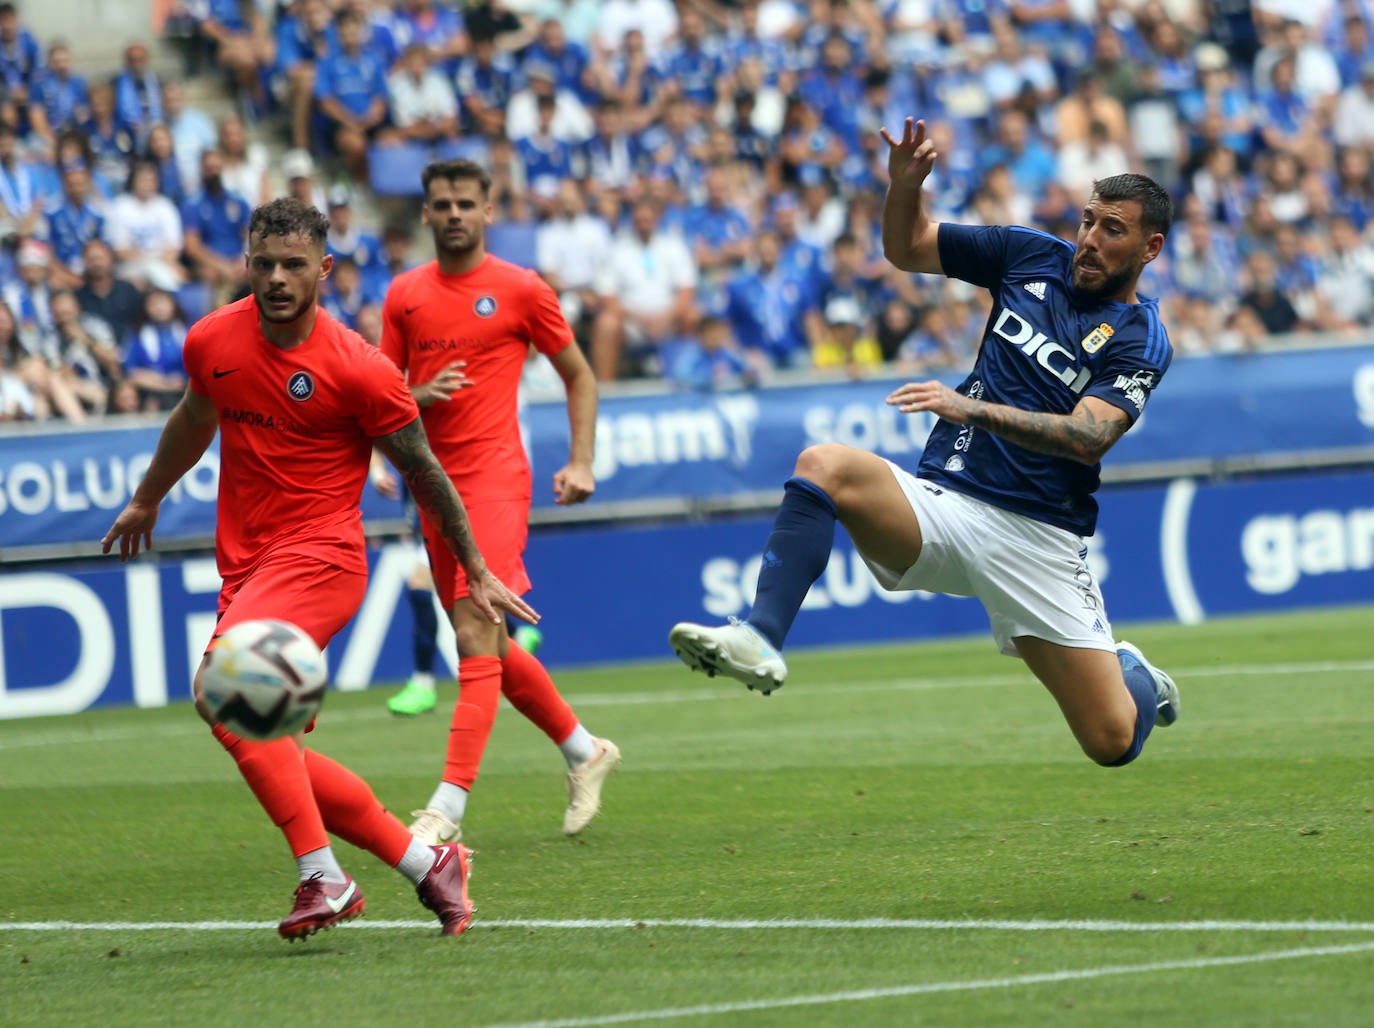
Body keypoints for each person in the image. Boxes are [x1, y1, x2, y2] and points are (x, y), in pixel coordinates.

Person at [669, 119, 1182, 772]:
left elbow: (1089, 436)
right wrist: (903, 187)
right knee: (823, 465)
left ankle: (1130, 669)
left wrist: (973, 408)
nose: (1089, 239)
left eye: (1113, 229)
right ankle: (759, 638)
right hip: (948, 501)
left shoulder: (1141, 336)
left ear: (1150, 247)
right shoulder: (1029, 255)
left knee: (1110, 742)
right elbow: (908, 247)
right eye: (1087, 221)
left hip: (1039, 537)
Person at [100, 197, 538, 940]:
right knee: (250, 724)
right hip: (248, 565)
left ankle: (322, 875)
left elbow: (426, 471)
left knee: (226, 688)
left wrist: (475, 565)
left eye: (293, 266)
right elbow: (193, 418)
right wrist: (147, 500)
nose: (276, 278)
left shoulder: (359, 369)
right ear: (246, 262)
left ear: (323, 271)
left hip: (324, 556)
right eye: (263, 263)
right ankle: (426, 863)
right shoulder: (212, 339)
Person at [380, 158, 621, 838]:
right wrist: (394, 430)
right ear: (425, 214)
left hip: (493, 479)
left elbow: (579, 375)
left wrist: (580, 460)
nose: (453, 213)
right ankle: (585, 750)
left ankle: (447, 806)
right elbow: (383, 389)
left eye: (465, 203)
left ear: (489, 212)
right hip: (430, 483)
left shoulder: (520, 289)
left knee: (475, 629)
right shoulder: (403, 294)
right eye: (441, 204)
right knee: (479, 641)